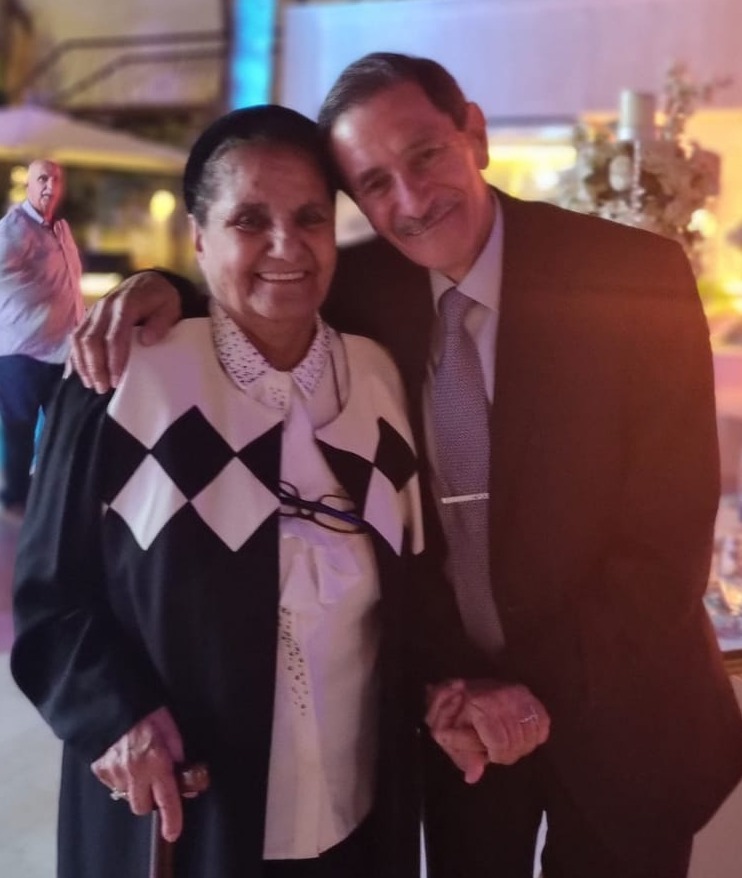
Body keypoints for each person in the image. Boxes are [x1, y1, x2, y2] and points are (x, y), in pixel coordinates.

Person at [69, 53, 742, 878]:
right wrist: (159, 289)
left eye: (425, 155)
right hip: (462, 740)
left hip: (622, 711)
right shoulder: (362, 293)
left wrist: (515, 696)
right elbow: (255, 288)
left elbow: (668, 540)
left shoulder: (632, 277)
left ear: (475, 136)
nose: (412, 200)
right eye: (374, 183)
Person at [12, 105, 546, 878]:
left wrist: (449, 694)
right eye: (249, 220)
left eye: (309, 219)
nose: (287, 246)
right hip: (186, 819)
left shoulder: (379, 379)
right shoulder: (123, 379)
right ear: (199, 236)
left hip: (354, 816)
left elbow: (413, 594)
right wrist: (114, 717)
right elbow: (51, 602)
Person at [0, 158, 83, 520]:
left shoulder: (60, 229)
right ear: (29, 185)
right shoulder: (13, 228)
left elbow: (70, 283)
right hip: (22, 352)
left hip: (61, 350)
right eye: (43, 179)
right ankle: (15, 502)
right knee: (19, 430)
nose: (50, 186)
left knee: (62, 427)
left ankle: (48, 495)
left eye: (56, 180)